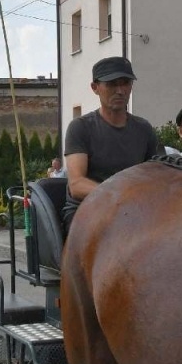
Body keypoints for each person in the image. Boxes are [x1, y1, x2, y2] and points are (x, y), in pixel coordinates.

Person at [63, 55, 162, 232]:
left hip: (134, 210)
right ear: (95, 88)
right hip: (86, 211)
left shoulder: (144, 129)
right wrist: (119, 195)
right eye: (111, 84)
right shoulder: (80, 127)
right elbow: (76, 184)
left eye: (125, 83)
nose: (120, 90)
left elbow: (158, 175)